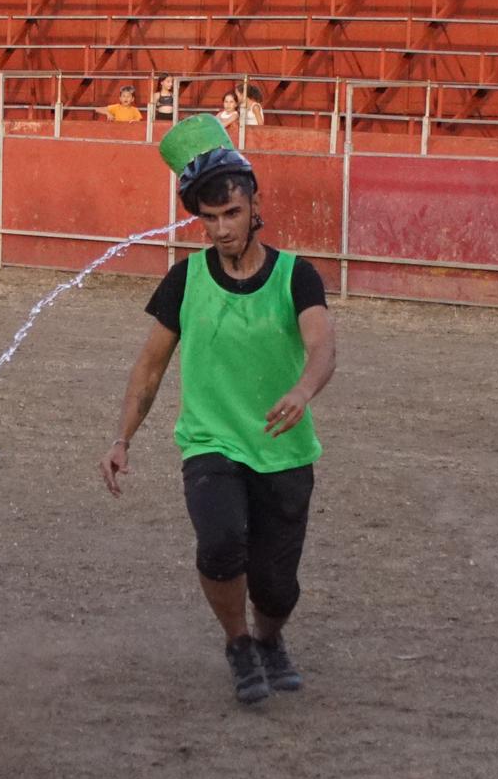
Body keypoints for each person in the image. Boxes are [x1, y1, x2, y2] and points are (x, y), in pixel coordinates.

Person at [100, 114, 336, 704]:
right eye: (209, 219)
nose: (222, 229)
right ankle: (237, 644)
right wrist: (122, 438)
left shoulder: (294, 276)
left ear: (254, 205)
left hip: (283, 447)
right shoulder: (185, 282)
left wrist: (303, 390)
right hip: (211, 444)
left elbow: (323, 347)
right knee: (221, 543)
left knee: (278, 586)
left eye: (231, 214)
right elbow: (149, 367)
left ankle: (269, 637)